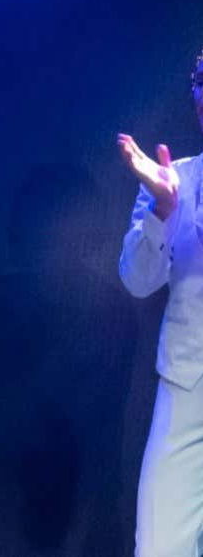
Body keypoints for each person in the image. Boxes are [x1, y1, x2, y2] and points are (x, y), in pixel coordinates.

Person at [118, 52, 203, 557]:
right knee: (159, 546)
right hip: (187, 385)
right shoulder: (174, 181)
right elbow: (137, 280)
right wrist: (163, 211)